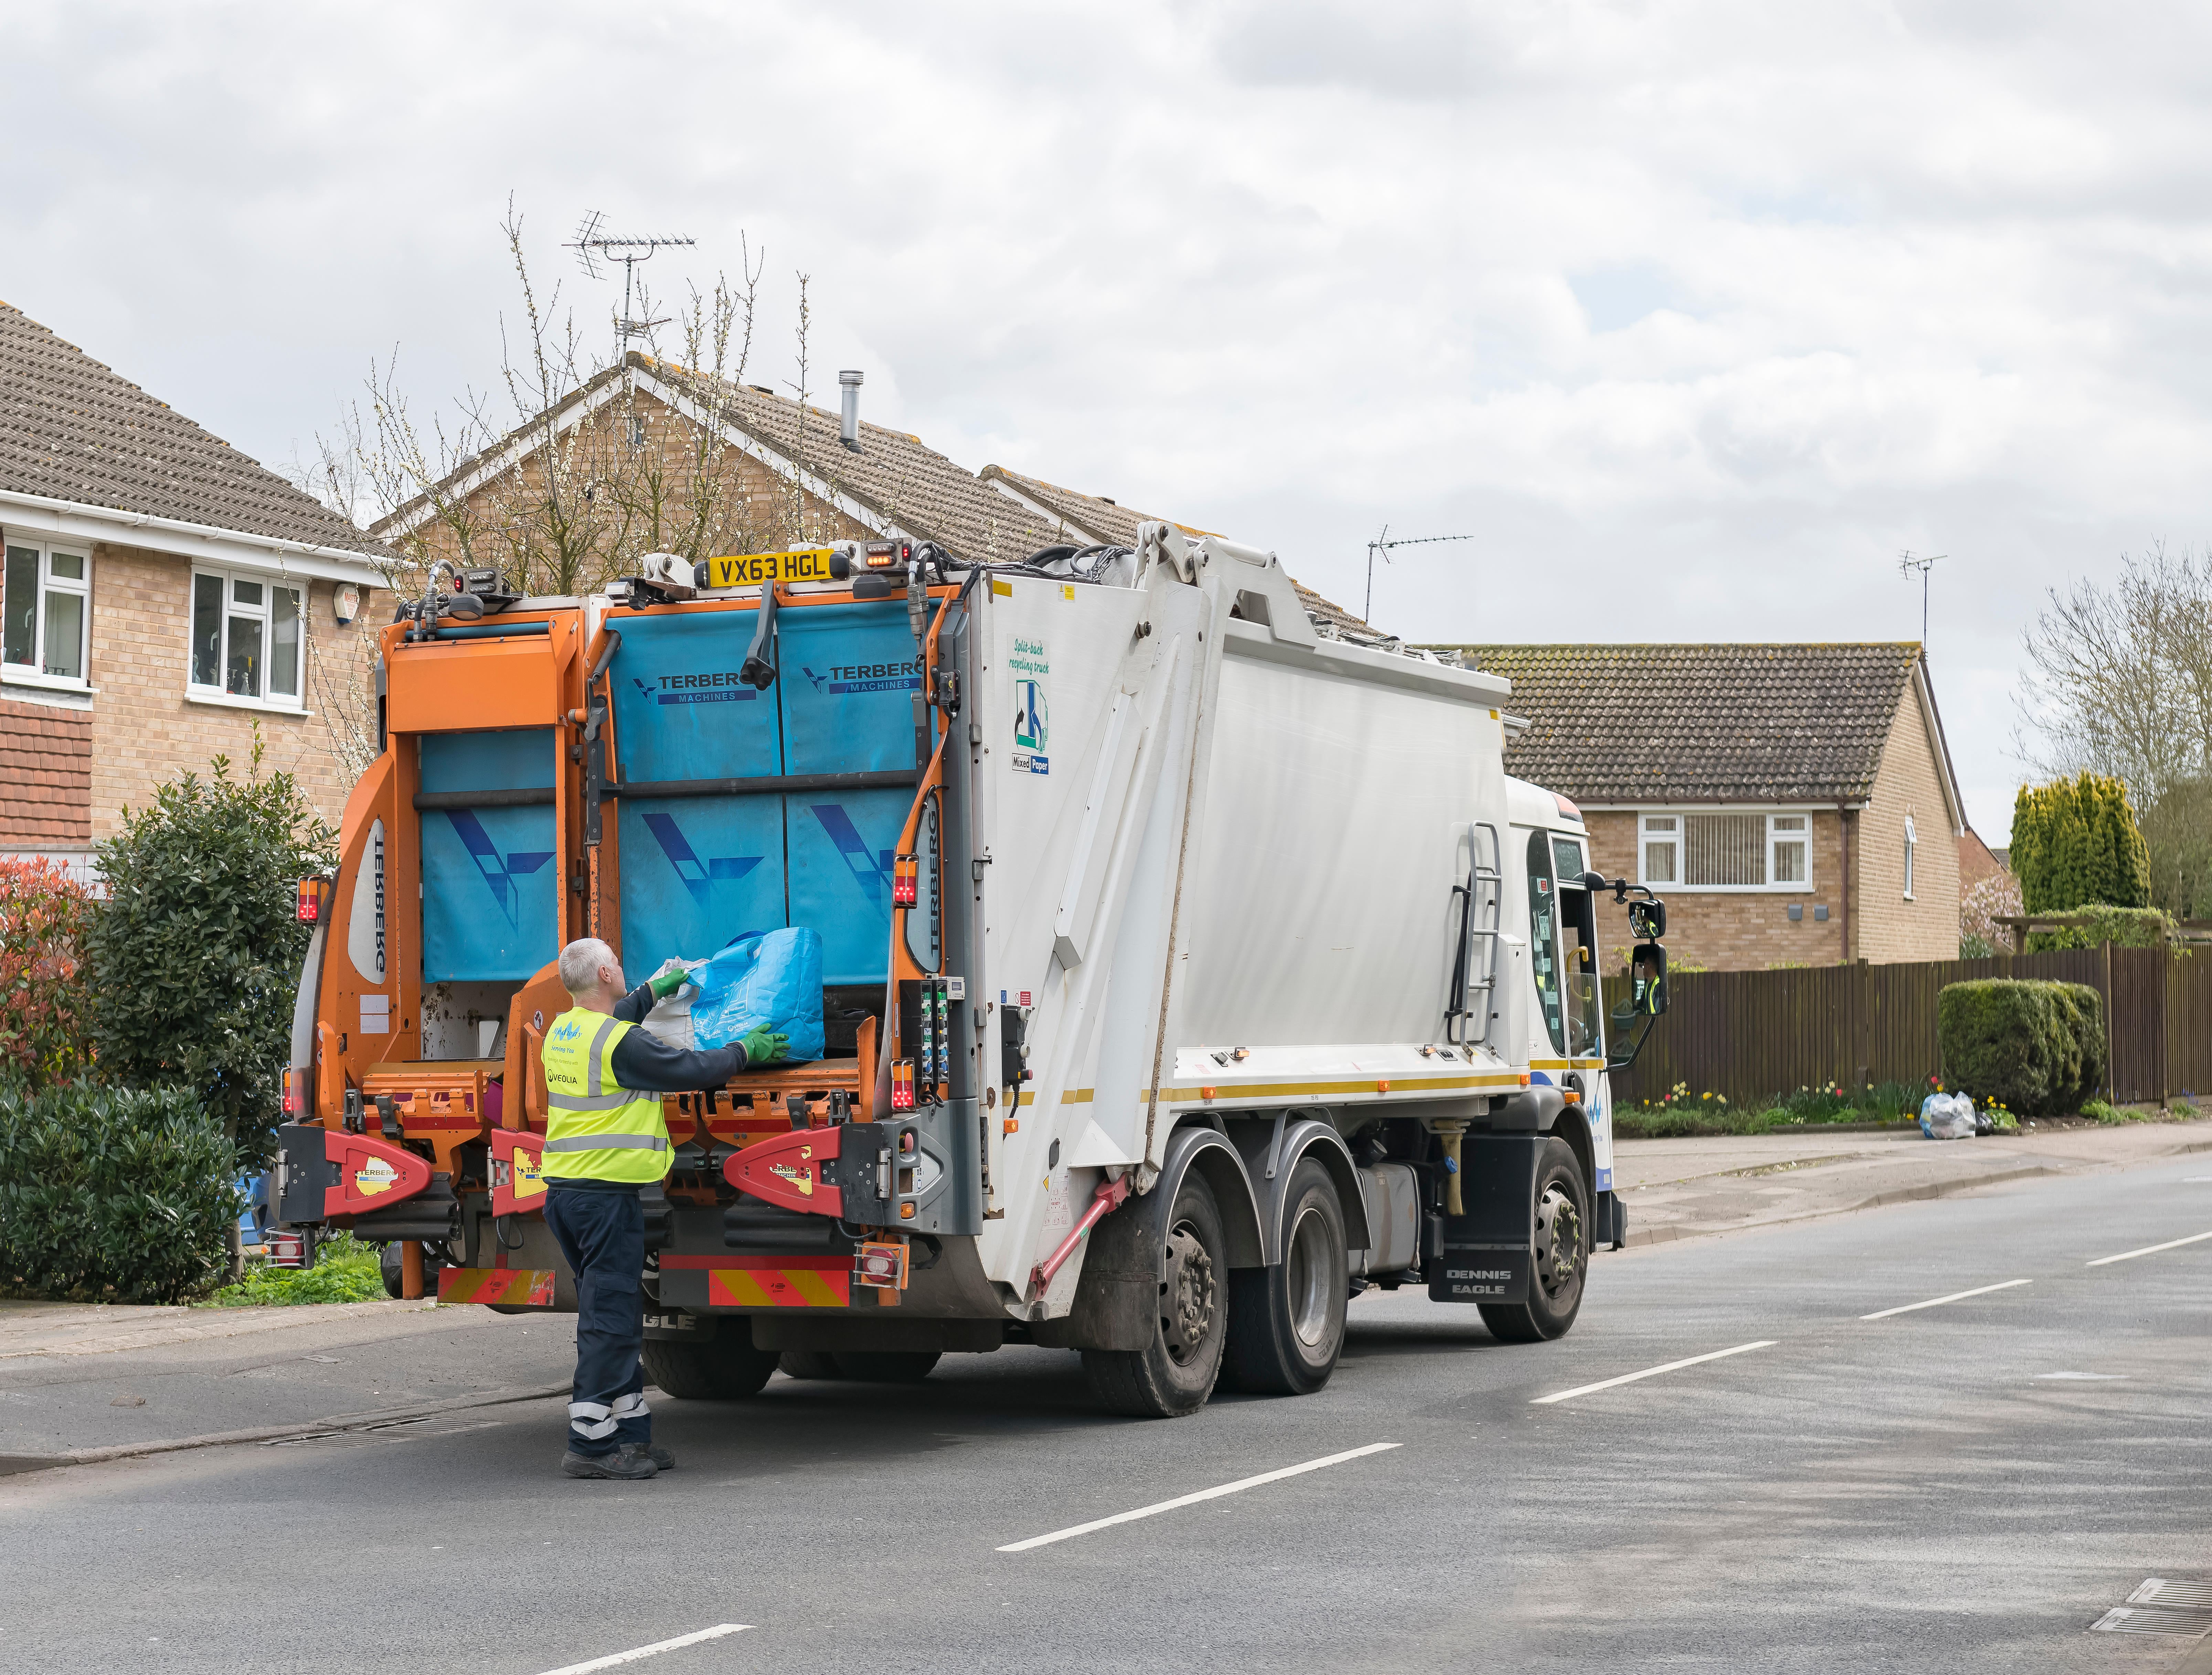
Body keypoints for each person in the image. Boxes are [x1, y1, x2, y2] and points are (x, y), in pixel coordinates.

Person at [539, 936, 789, 1481]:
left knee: (618, 1312)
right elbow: (690, 1069)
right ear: (606, 972)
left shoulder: (565, 1028)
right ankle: (589, 1442)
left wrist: (655, 989)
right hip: (603, 1199)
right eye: (620, 966)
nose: (625, 973)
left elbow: (617, 1020)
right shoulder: (622, 1044)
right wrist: (748, 1052)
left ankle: (629, 1435)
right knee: (610, 1319)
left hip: (569, 1195)